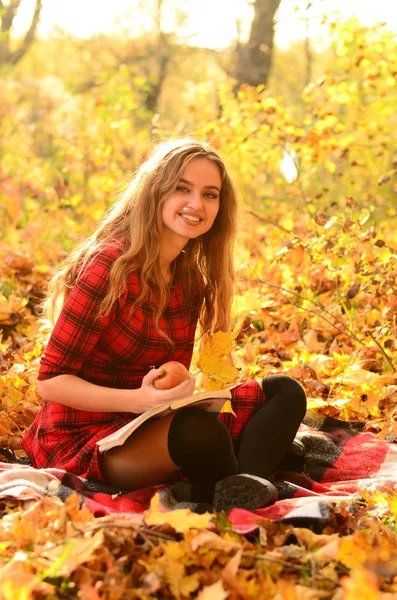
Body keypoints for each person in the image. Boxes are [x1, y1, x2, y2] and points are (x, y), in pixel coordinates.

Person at [22, 138, 306, 512]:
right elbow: (50, 382)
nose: (196, 204)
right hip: (85, 432)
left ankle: (238, 482)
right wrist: (138, 399)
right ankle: (246, 470)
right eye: (182, 189)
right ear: (155, 192)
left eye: (210, 194)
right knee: (203, 434)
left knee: (286, 392)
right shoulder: (110, 267)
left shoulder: (189, 281)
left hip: (147, 420)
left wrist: (173, 380)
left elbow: (163, 377)